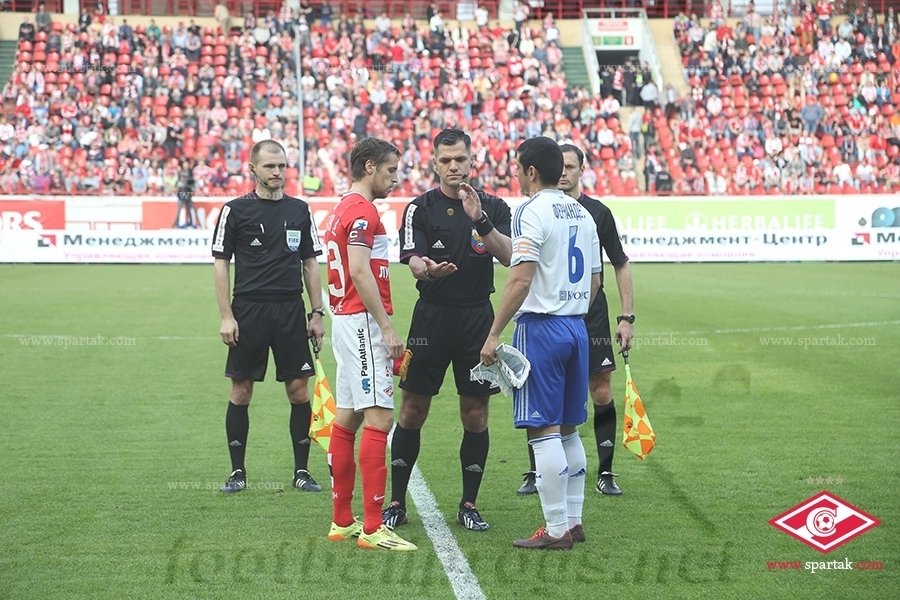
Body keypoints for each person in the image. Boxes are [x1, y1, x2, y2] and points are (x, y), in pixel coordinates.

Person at [382, 129, 512, 532]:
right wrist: (427, 270)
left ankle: (468, 504)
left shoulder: (494, 206)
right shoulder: (419, 208)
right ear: (434, 163)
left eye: (460, 159)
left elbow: (509, 256)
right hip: (431, 319)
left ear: (472, 161)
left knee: (475, 412)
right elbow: (413, 260)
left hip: (477, 320)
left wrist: (480, 220)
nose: (453, 166)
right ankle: (397, 501)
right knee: (412, 409)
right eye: (445, 160)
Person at [480, 136, 602, 550]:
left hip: (542, 329)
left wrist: (494, 333)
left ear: (531, 171)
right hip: (576, 327)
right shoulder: (583, 213)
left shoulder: (529, 210)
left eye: (518, 168)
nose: (516, 174)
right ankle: (574, 521)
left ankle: (555, 530)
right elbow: (596, 280)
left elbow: (520, 278)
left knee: (543, 429)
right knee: (569, 428)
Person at [515, 143, 635, 497]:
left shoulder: (595, 213)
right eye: (561, 166)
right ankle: (537, 471)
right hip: (558, 316)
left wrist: (626, 317)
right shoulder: (540, 210)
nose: (564, 172)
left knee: (600, 391)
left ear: (582, 170)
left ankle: (606, 471)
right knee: (545, 395)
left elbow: (620, 263)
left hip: (587, 314)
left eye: (571, 166)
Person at [211, 139, 326, 495]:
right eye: (269, 166)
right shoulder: (234, 210)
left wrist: (317, 312)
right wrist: (226, 316)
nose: (277, 172)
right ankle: (237, 472)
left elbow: (310, 263)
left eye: (281, 166)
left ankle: (302, 471)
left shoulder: (300, 210)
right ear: (252, 169)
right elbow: (220, 264)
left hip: (290, 309)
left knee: (298, 390)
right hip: (248, 311)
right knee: (241, 390)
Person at [323, 136, 417, 551]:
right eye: (391, 170)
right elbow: (360, 270)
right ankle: (374, 528)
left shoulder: (340, 209)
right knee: (379, 419)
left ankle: (343, 520)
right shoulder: (362, 210)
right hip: (361, 321)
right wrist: (387, 328)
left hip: (345, 320)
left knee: (346, 419)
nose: (396, 178)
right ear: (369, 167)